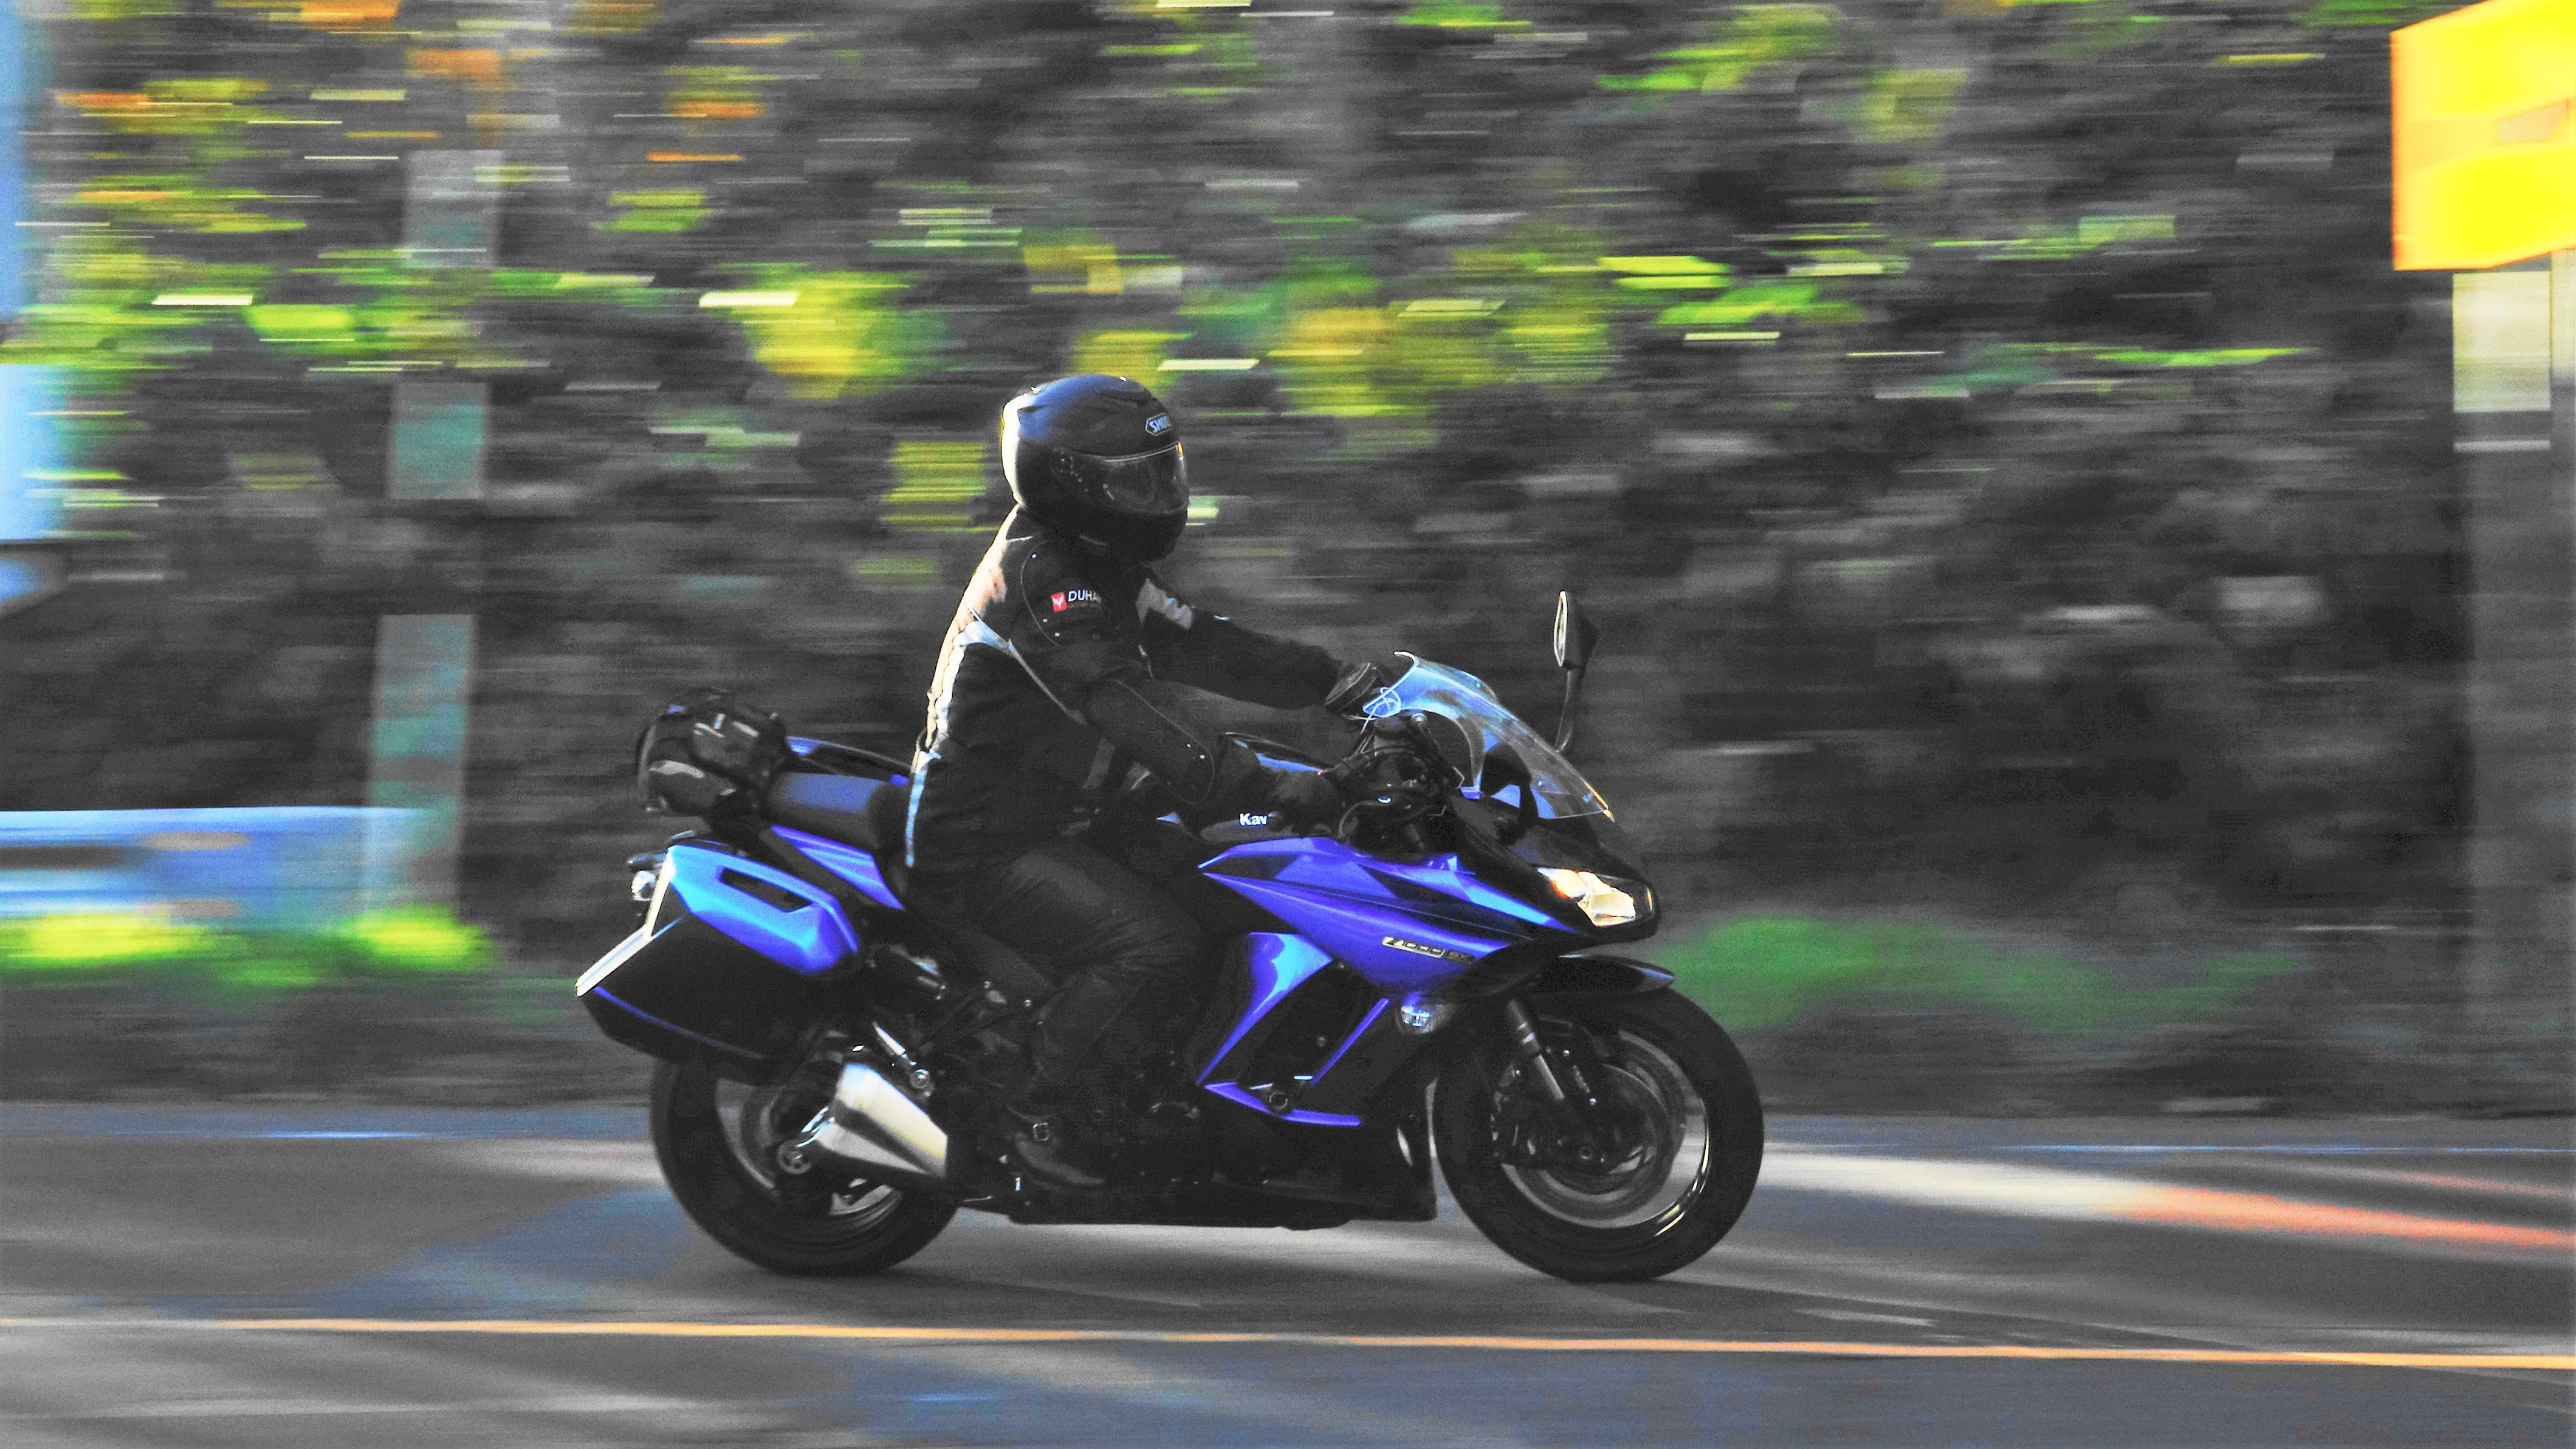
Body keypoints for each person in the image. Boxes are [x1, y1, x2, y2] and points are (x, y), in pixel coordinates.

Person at [903, 374, 1393, 1190]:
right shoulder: (1042, 579)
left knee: (1232, 894)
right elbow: (1123, 703)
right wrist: (1270, 784)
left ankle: (1184, 1098)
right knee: (1155, 944)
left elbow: (1205, 644)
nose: (1160, 496)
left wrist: (1344, 682)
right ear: (1067, 486)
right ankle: (1032, 1112)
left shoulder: (1102, 564)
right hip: (984, 841)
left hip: (1068, 819)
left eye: (1164, 473)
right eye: (1134, 482)